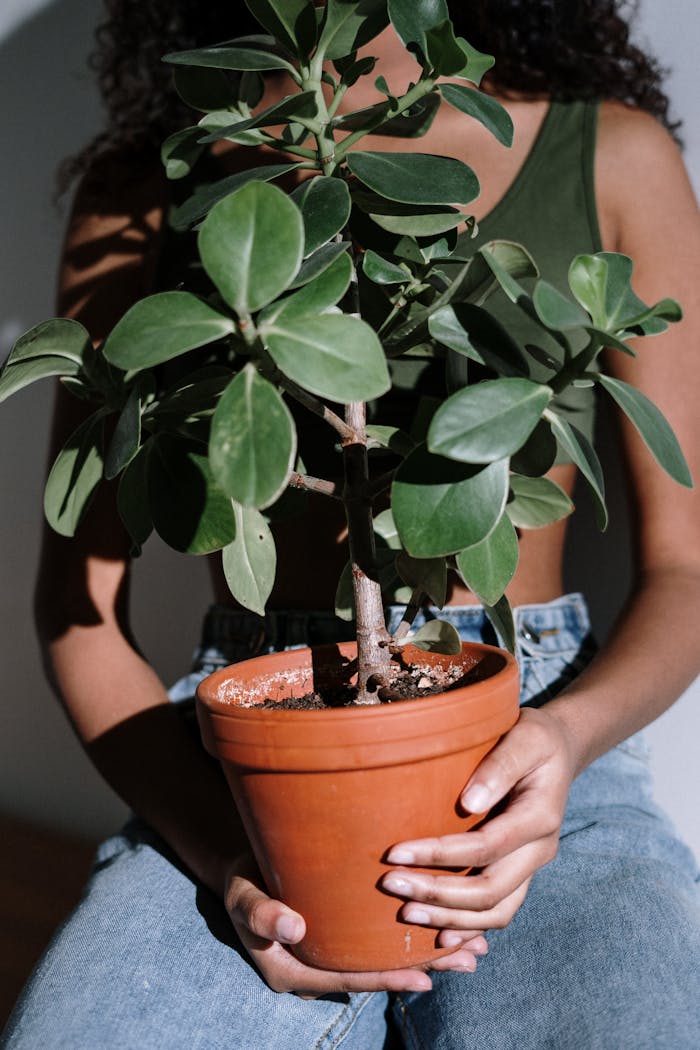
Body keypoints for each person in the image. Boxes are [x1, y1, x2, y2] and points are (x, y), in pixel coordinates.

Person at [3, 1, 700, 1046]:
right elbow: (79, 609)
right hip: (241, 761)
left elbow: (685, 571)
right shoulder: (154, 180)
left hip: (539, 731)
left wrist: (563, 738)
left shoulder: (611, 154)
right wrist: (226, 856)